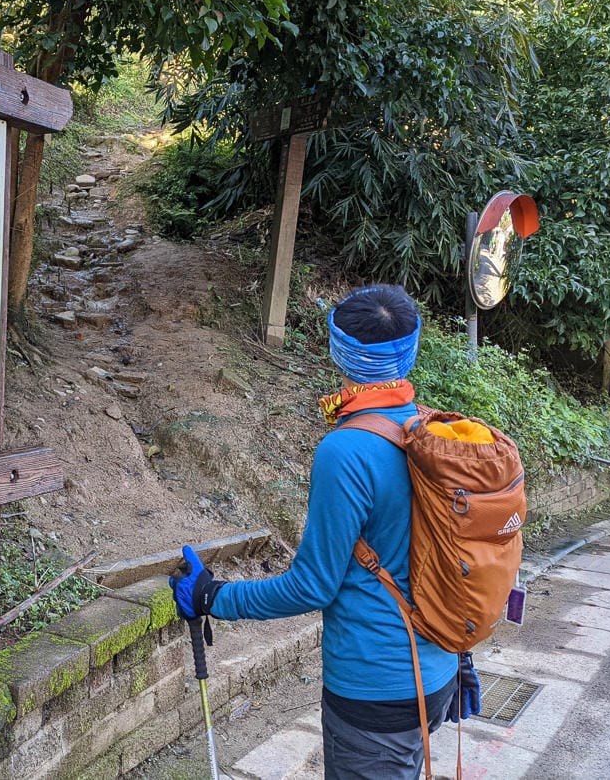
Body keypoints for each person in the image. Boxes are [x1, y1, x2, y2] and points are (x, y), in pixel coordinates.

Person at [171, 284, 479, 779]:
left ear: (340, 352)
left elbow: (312, 585)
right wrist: (461, 655)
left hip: (374, 689)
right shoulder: (432, 432)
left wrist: (212, 596)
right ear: (412, 351)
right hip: (440, 668)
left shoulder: (347, 451)